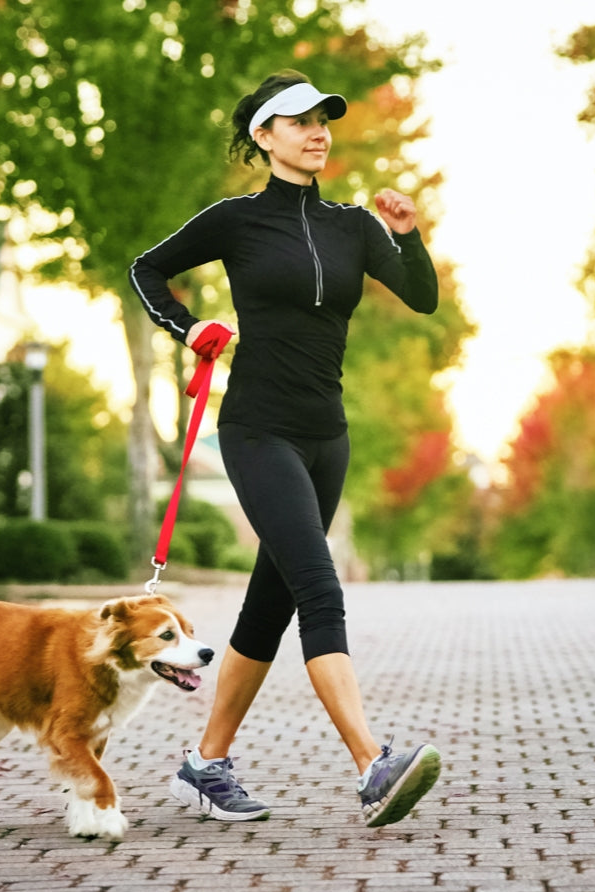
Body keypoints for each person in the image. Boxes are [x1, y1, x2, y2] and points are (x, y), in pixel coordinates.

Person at [128, 69, 441, 828]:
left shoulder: (354, 225)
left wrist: (408, 234)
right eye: (298, 120)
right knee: (319, 589)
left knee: (269, 607)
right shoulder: (236, 221)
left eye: (324, 119)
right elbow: (147, 268)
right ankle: (373, 764)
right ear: (264, 138)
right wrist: (189, 326)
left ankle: (204, 765)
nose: (317, 130)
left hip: (326, 438)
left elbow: (423, 296)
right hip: (258, 430)